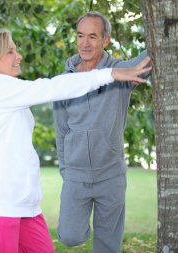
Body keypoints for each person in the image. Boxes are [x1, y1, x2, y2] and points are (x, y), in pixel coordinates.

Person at [0, 29, 150, 253]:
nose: (18, 56)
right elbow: (53, 87)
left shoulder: (6, 92)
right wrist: (109, 74)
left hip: (22, 205)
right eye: (11, 51)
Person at [53, 11, 151, 253]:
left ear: (106, 40)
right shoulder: (65, 81)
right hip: (76, 176)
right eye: (80, 36)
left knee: (108, 246)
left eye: (93, 37)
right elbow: (61, 131)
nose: (85, 43)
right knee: (69, 235)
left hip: (111, 175)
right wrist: (66, 170)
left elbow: (153, 56)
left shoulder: (121, 73)